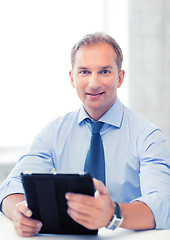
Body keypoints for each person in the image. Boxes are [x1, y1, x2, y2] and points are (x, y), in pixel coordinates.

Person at [0, 32, 170, 237]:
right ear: (72, 78)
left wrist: (112, 213)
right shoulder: (54, 133)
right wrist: (19, 212)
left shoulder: (148, 137)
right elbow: (9, 187)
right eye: (84, 72)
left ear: (120, 77)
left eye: (105, 71)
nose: (93, 83)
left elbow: (163, 204)